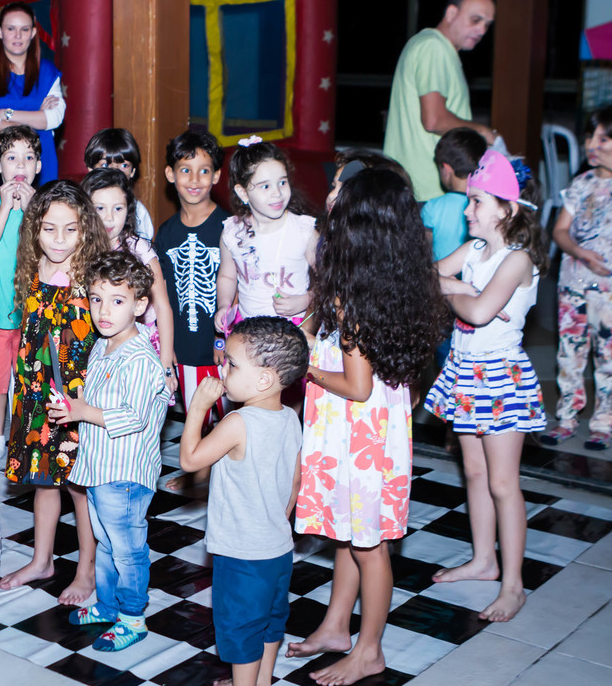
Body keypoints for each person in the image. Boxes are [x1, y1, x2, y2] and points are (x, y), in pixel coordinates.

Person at [288, 168, 448, 685]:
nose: (330, 192)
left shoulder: (356, 296)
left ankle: (369, 649)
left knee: (369, 545)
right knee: (349, 534)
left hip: (358, 431)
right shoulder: (389, 279)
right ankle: (337, 626)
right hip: (368, 428)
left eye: (340, 189)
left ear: (359, 220)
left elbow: (356, 385)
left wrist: (304, 363)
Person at [425, 149, 548, 623]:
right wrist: (467, 291)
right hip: (465, 369)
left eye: (476, 202)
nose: (466, 210)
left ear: (507, 209)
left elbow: (476, 315)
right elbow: (433, 278)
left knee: (502, 482)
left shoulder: (517, 260)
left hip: (501, 376)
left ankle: (513, 584)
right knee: (474, 474)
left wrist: (464, 295)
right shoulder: (476, 252)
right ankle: (483, 560)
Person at [51, 251, 169, 652]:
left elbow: (132, 416)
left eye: (117, 301)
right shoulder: (103, 345)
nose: (104, 311)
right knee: (105, 541)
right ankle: (108, 603)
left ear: (140, 305)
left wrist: (84, 410)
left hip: (126, 472)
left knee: (128, 547)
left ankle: (133, 618)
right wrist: (75, 407)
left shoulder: (139, 358)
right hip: (101, 465)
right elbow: (98, 400)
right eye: (97, 299)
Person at [179, 317, 306, 686]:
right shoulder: (290, 418)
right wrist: (275, 524)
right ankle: (261, 680)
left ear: (264, 379)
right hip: (278, 550)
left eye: (232, 364)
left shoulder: (239, 422)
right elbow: (294, 482)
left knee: (241, 631)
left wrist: (199, 407)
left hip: (242, 555)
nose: (223, 366)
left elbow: (190, 460)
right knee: (269, 621)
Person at [0, 180, 108, 602]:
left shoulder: (90, 275)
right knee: (44, 482)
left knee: (79, 488)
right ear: (34, 231)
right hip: (34, 393)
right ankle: (42, 560)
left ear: (86, 230)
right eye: (48, 229)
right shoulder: (33, 267)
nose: (59, 240)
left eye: (71, 229)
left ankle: (86, 569)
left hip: (74, 399)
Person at [545, 105, 612, 450]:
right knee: (568, 355)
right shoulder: (581, 182)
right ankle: (567, 417)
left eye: (604, 138)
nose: (593, 144)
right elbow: (559, 231)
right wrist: (581, 252)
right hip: (572, 283)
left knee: (609, 358)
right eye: (590, 136)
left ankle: (603, 423)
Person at [154, 129, 230, 491]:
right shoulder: (165, 234)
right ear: (170, 174)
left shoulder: (229, 228)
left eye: (204, 171)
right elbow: (162, 297)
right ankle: (199, 472)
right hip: (184, 347)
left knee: (229, 416)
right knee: (195, 414)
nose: (195, 180)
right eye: (185, 170)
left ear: (217, 175)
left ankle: (224, 476)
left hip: (221, 347)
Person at [384, 0, 497, 201]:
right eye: (475, 20)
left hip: (414, 188)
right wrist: (481, 131)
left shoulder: (434, 47)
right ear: (451, 13)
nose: (482, 30)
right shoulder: (434, 48)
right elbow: (434, 120)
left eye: (487, 25)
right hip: (427, 190)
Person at [0, 125, 42, 471]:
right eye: (11, 157)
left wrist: (32, 212)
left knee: (30, 377)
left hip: (31, 313)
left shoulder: (43, 209)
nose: (20, 164)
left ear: (38, 166)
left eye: (28, 157)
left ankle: (24, 433)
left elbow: (48, 253)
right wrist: (5, 206)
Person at [81, 167, 177, 394]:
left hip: (137, 342)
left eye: (118, 208)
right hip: (95, 340)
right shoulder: (80, 249)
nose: (109, 217)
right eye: (100, 208)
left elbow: (163, 306)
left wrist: (166, 363)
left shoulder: (139, 249)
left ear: (129, 210)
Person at [214, 138, 318, 332]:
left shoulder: (304, 231)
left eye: (282, 182)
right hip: (248, 331)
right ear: (243, 193)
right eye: (265, 186)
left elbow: (328, 280)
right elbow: (227, 277)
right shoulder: (232, 232)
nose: (277, 193)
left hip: (293, 332)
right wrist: (223, 305)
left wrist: (306, 300)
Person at [0, 3, 65, 195]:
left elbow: (55, 118)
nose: (18, 35)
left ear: (33, 33)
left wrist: (6, 115)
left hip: (41, 162)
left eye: (24, 29)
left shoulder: (48, 72)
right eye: (11, 29)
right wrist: (37, 117)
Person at [423, 128, 485, 261]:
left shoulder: (432, 207)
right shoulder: (486, 206)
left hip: (442, 276)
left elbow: (424, 249)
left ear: (446, 169)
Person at [84, 128, 154, 240]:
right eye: (105, 165)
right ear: (91, 170)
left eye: (124, 166)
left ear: (133, 172)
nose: (115, 171)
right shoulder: (79, 206)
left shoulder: (139, 213)